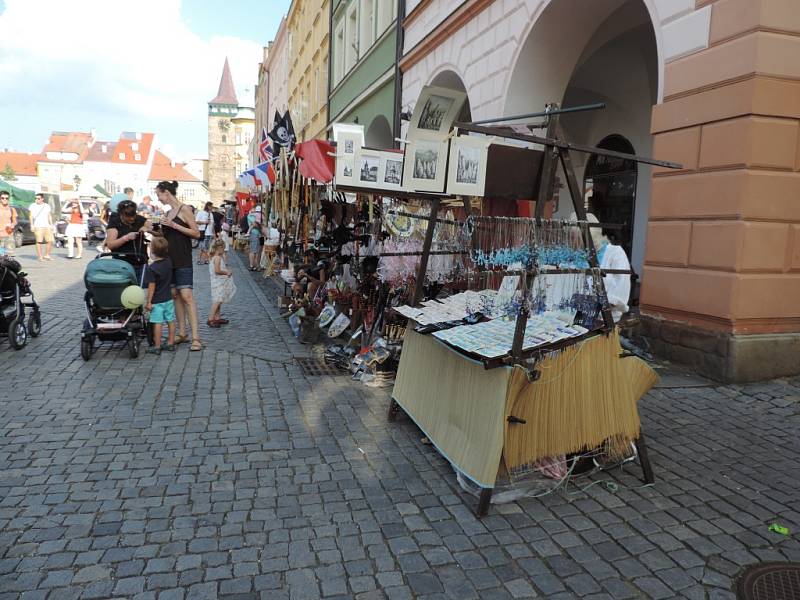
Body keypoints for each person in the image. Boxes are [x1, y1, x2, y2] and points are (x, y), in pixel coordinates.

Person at [156, 180, 203, 352]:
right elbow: (167, 235)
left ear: (166, 193)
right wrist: (154, 230)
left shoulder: (185, 209)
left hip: (183, 258)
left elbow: (196, 233)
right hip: (169, 260)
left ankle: (196, 337)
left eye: (158, 194)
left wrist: (174, 225)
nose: (158, 198)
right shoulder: (168, 213)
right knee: (175, 295)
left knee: (186, 295)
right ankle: (182, 333)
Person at [144, 236, 176, 355]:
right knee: (170, 320)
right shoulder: (168, 262)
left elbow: (151, 287)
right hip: (168, 298)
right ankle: (171, 343)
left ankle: (157, 346)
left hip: (157, 301)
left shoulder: (152, 268)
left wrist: (148, 302)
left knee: (157, 323)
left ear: (152, 250)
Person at [105, 200, 151, 282]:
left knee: (141, 290)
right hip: (122, 264)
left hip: (140, 263)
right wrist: (126, 238)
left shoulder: (139, 219)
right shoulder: (115, 222)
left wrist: (148, 229)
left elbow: (155, 230)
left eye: (133, 215)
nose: (132, 218)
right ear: (121, 214)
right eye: (128, 216)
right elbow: (110, 245)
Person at [207, 239, 235, 328]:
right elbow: (217, 271)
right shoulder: (218, 258)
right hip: (218, 283)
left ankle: (217, 317)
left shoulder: (214, 257)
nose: (224, 250)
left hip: (217, 282)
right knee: (217, 301)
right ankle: (210, 318)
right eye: (223, 248)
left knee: (219, 300)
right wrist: (227, 272)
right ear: (219, 248)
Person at [29, 193, 54, 261]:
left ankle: (47, 255)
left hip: (47, 226)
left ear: (42, 199)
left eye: (38, 198)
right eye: (36, 198)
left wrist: (51, 224)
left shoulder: (47, 206)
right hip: (38, 226)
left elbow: (49, 215)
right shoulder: (32, 206)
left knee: (50, 241)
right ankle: (40, 257)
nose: (37, 200)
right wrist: (32, 225)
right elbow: (31, 216)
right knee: (39, 241)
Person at [0, 191, 18, 257]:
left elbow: (15, 221)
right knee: (1, 255)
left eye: (6, 198)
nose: (5, 200)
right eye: (3, 198)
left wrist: (13, 224)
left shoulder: (12, 209)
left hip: (9, 235)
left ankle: (8, 267)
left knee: (9, 255)